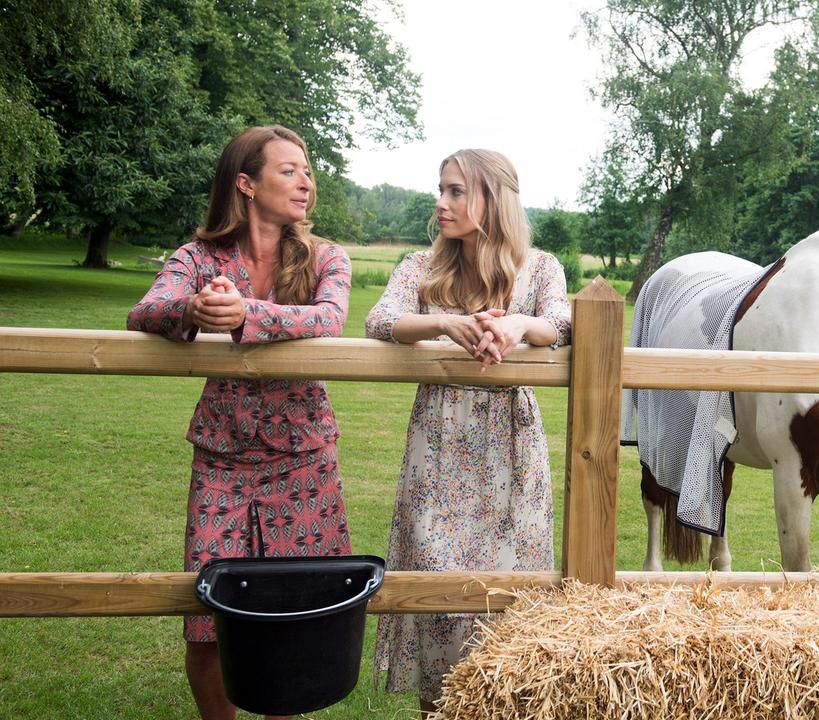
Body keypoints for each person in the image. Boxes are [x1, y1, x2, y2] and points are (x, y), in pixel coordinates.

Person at [126, 125, 353, 720]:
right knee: (207, 622)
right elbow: (146, 309)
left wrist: (245, 311)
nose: (306, 182)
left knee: (297, 614)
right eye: (289, 171)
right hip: (222, 460)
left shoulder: (328, 256)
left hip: (303, 459)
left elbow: (329, 318)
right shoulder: (199, 256)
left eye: (307, 171)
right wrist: (192, 307)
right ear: (246, 183)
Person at [366, 149, 571, 710]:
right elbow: (381, 319)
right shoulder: (420, 267)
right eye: (441, 189)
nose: (441, 202)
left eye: (456, 191)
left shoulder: (542, 267)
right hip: (440, 439)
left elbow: (562, 323)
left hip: (511, 441)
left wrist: (517, 326)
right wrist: (445, 322)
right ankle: (438, 706)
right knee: (438, 583)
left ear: (493, 198)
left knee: (511, 585)